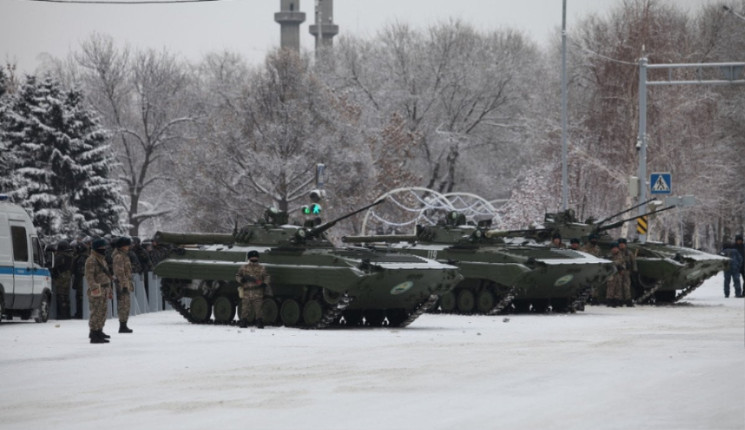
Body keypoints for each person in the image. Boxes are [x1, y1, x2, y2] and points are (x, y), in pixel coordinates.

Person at [85, 238, 113, 344]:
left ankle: (99, 330)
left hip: (104, 288)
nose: (104, 249)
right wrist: (94, 288)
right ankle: (94, 333)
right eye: (102, 247)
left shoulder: (102, 259)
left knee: (102, 312)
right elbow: (89, 276)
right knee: (96, 312)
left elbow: (106, 276)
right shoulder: (91, 260)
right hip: (97, 289)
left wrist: (109, 290)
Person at [235, 250, 271, 329]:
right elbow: (237, 275)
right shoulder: (243, 268)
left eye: (255, 257)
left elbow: (267, 277)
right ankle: (243, 321)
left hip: (258, 291)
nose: (254, 258)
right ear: (249, 258)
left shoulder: (262, 268)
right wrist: (241, 280)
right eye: (252, 257)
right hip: (247, 291)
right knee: (245, 308)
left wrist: (265, 283)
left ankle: (259, 322)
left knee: (258, 308)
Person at [112, 236, 134, 333]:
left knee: (126, 304)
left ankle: (124, 324)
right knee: (123, 304)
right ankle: (122, 325)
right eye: (127, 245)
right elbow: (119, 272)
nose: (128, 247)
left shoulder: (124, 255)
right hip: (122, 284)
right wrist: (124, 284)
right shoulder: (119, 257)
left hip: (125, 282)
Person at [51, 239, 75, 319]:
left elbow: (53, 265)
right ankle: (66, 313)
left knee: (60, 295)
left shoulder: (60, 256)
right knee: (65, 296)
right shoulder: (70, 256)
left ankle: (61, 314)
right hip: (67, 277)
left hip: (60, 277)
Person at [71, 236, 91, 319]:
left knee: (80, 297)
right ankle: (80, 312)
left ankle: (80, 313)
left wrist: (76, 282)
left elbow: (80, 272)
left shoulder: (81, 258)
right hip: (83, 281)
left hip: (82, 281)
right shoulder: (84, 257)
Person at [617, 238, 636, 307]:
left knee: (626, 286)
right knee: (619, 286)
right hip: (618, 272)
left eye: (623, 244)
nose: (621, 245)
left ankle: (628, 300)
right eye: (620, 244)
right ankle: (620, 300)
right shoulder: (617, 252)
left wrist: (634, 270)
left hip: (627, 272)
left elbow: (633, 261)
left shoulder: (628, 253)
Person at [605, 242, 625, 307]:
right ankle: (609, 301)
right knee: (610, 287)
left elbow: (623, 263)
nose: (615, 249)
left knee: (618, 287)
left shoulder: (621, 255)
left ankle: (617, 301)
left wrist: (622, 268)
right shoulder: (608, 256)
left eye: (616, 248)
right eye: (613, 248)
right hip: (611, 273)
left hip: (618, 273)